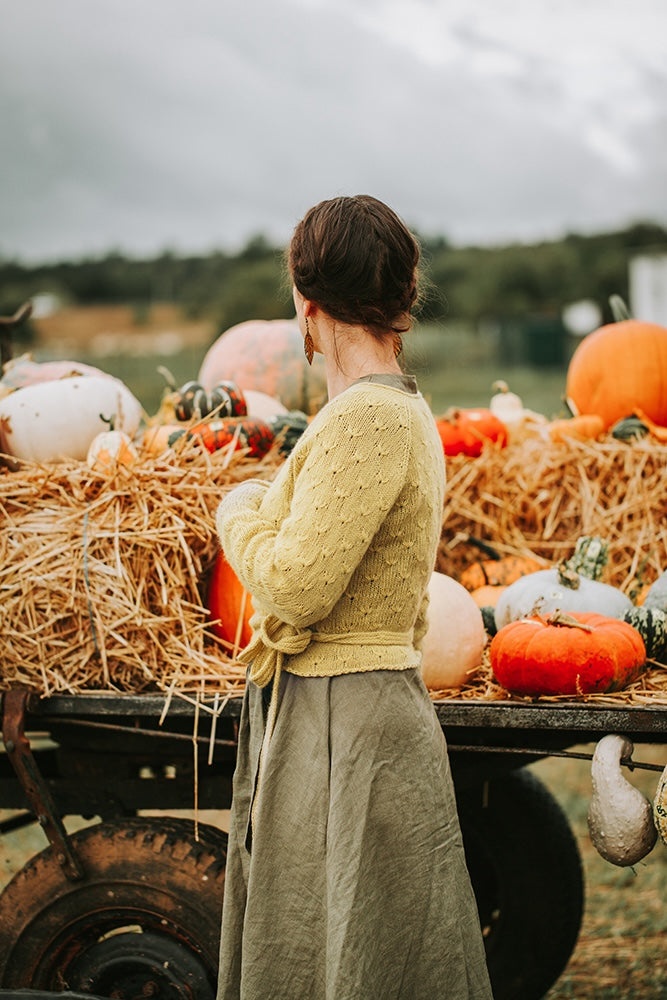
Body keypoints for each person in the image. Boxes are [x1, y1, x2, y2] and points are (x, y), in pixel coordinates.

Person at [214, 194, 492, 1000]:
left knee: (352, 960)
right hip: (353, 710)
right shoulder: (388, 407)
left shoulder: (365, 417)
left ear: (306, 304)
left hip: (348, 719)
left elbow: (296, 587)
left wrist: (237, 510)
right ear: (403, 295)